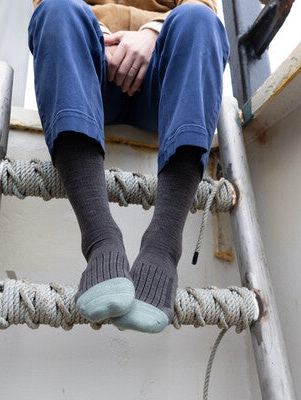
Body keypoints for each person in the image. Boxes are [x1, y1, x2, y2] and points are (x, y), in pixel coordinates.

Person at [27, 0, 229, 333]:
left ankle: (162, 246)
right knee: (56, 9)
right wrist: (105, 38)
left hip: (160, 77)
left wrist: (151, 33)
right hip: (92, 62)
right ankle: (100, 239)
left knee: (199, 20)